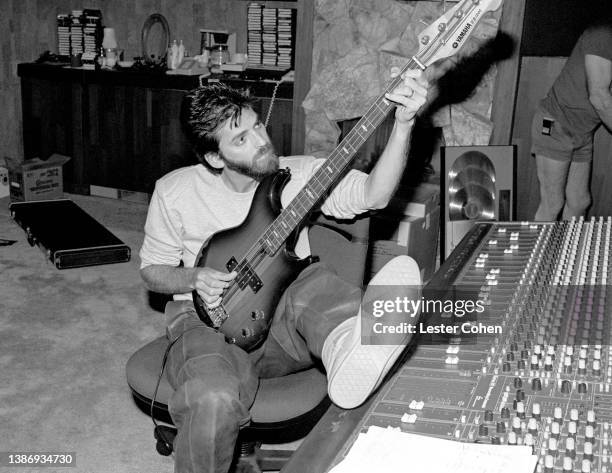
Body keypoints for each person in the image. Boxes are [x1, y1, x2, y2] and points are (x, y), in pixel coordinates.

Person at [139, 69, 428, 473]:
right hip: (206, 324)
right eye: (241, 139)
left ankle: (349, 343)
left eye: (258, 126)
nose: (261, 141)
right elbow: (152, 271)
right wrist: (192, 278)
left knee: (310, 281)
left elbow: (374, 194)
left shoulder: (300, 175)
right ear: (214, 157)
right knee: (212, 397)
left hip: (288, 326)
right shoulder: (174, 190)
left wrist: (404, 123)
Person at [532, 23, 612, 221]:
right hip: (553, 124)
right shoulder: (603, 36)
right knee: (552, 203)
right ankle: (539, 252)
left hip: (582, 132)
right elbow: (600, 97)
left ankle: (569, 250)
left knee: (579, 202)